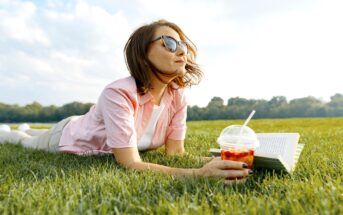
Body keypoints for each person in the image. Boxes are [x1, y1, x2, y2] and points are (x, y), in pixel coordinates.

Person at [0, 20, 253, 183]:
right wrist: (198, 175)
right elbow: (131, 163)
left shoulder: (177, 95)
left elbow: (176, 153)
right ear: (143, 54)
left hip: (88, 121)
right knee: (27, 141)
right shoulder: (118, 93)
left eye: (183, 44)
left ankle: (26, 126)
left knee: (32, 132)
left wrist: (222, 160)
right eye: (169, 42)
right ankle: (10, 131)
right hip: (69, 134)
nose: (181, 51)